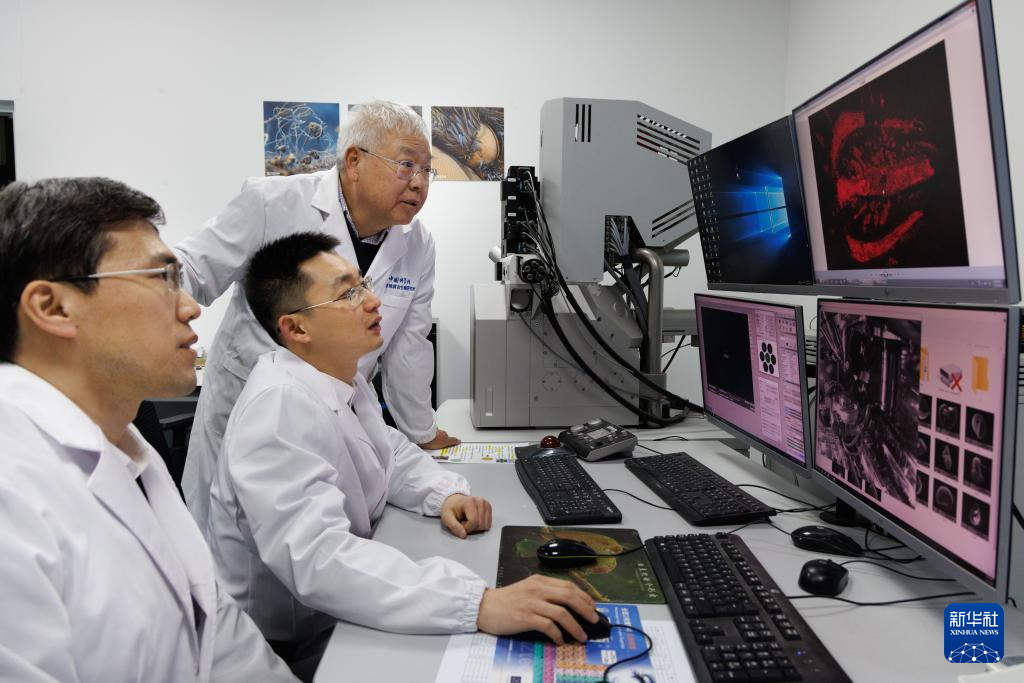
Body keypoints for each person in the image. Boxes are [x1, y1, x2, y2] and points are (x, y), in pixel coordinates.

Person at [206, 232, 600, 653]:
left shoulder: (340, 376)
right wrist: (477, 604)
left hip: (336, 615)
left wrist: (444, 493)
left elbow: (386, 449)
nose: (373, 301)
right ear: (296, 327)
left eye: (363, 284)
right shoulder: (279, 409)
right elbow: (319, 559)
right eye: (348, 294)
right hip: (287, 642)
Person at [0, 178, 296, 681]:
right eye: (161, 278)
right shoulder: (14, 494)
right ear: (53, 307)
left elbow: (219, 638)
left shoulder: (128, 448)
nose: (191, 307)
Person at [177, 101, 459, 532]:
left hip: (338, 416)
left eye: (427, 170)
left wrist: (423, 432)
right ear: (354, 162)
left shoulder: (417, 244)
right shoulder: (273, 203)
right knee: (241, 548)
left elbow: (409, 348)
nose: (419, 183)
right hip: (250, 416)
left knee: (328, 532)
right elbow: (191, 270)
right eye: (406, 166)